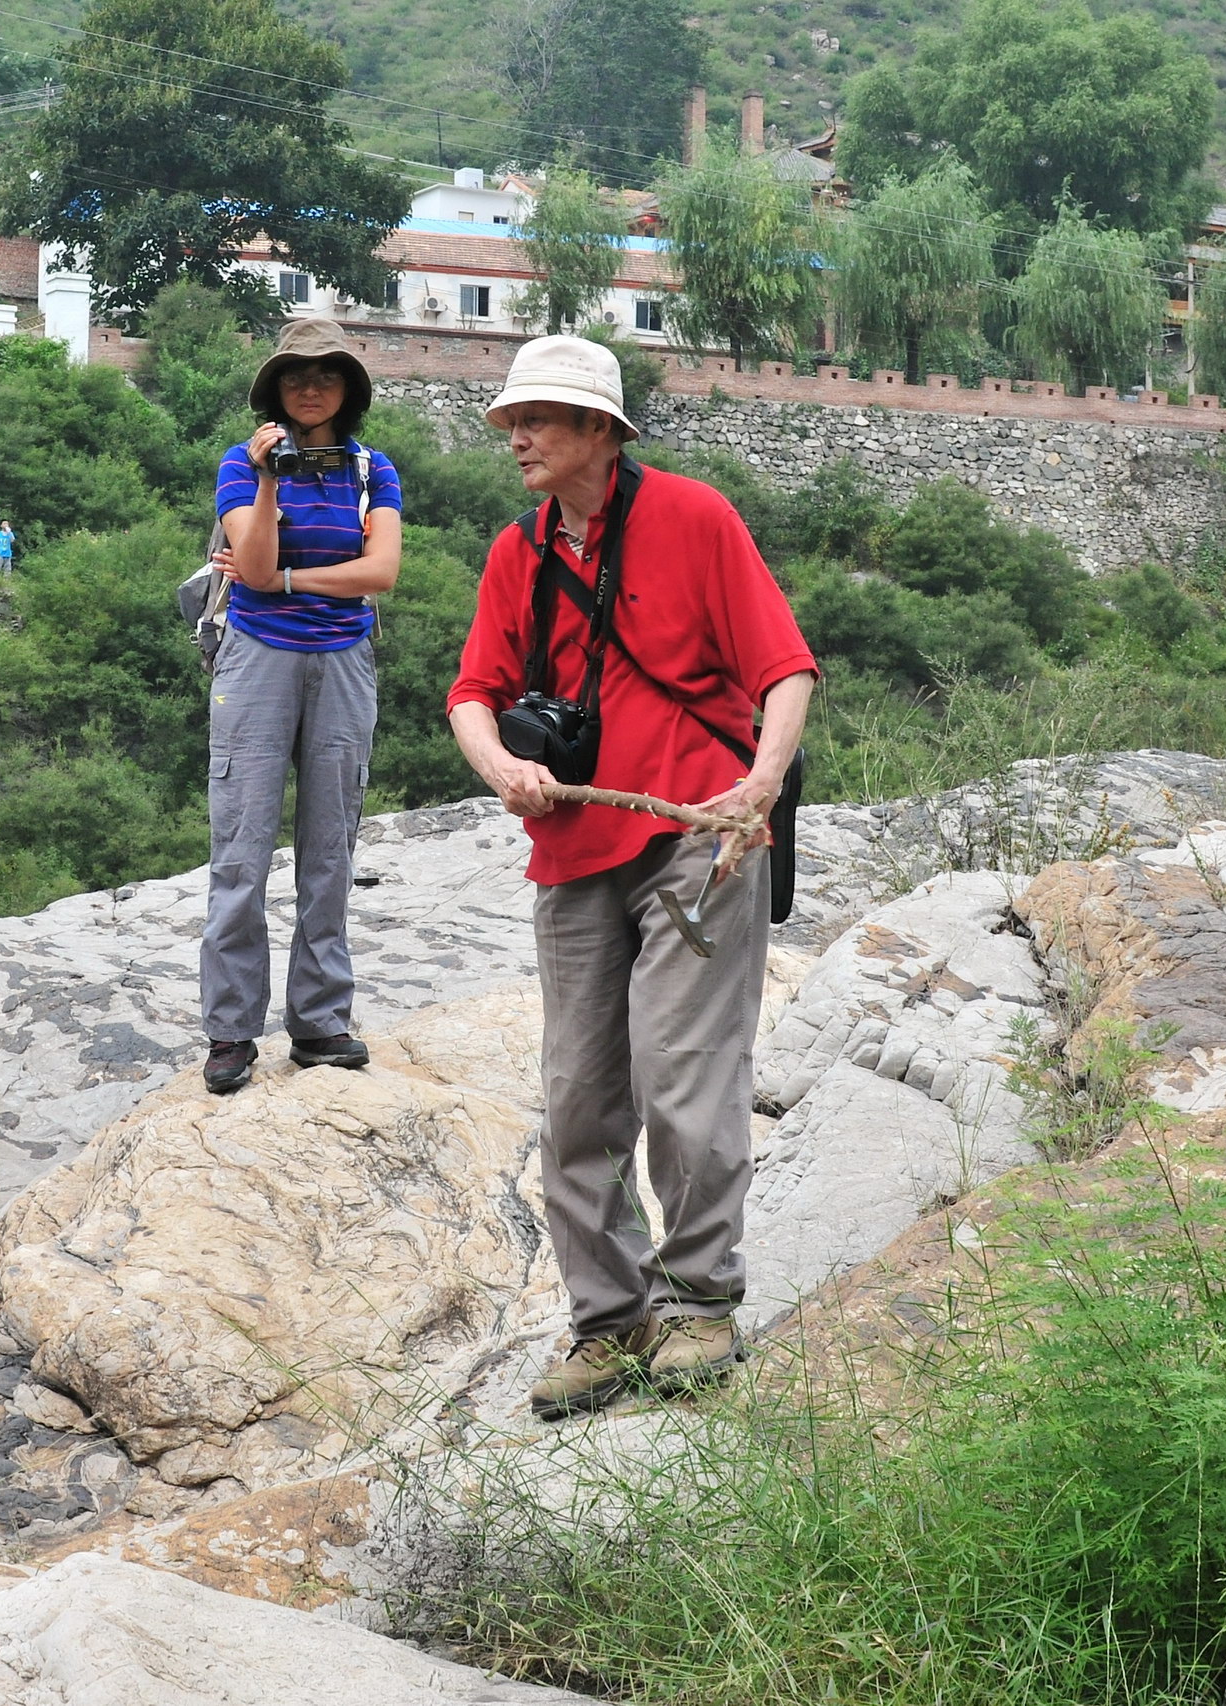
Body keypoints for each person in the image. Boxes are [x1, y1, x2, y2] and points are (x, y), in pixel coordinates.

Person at [444, 334, 816, 1421]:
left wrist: (759, 784)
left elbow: (783, 666)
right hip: (570, 851)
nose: (517, 436)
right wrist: (503, 766)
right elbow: (472, 689)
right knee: (577, 1098)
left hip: (698, 832)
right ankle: (609, 1323)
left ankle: (700, 1298)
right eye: (512, 421)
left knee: (682, 1073)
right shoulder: (519, 552)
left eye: (539, 420)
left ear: (600, 431)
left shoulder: (695, 519)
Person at [201, 318, 403, 1095]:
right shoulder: (240, 462)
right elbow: (248, 565)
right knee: (243, 846)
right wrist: (268, 478)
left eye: (326, 374)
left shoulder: (371, 468)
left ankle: (319, 1021)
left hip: (343, 660)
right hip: (257, 660)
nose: (311, 386)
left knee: (329, 849)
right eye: (295, 375)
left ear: (348, 389)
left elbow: (380, 570)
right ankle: (230, 1031)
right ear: (276, 389)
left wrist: (289, 581)